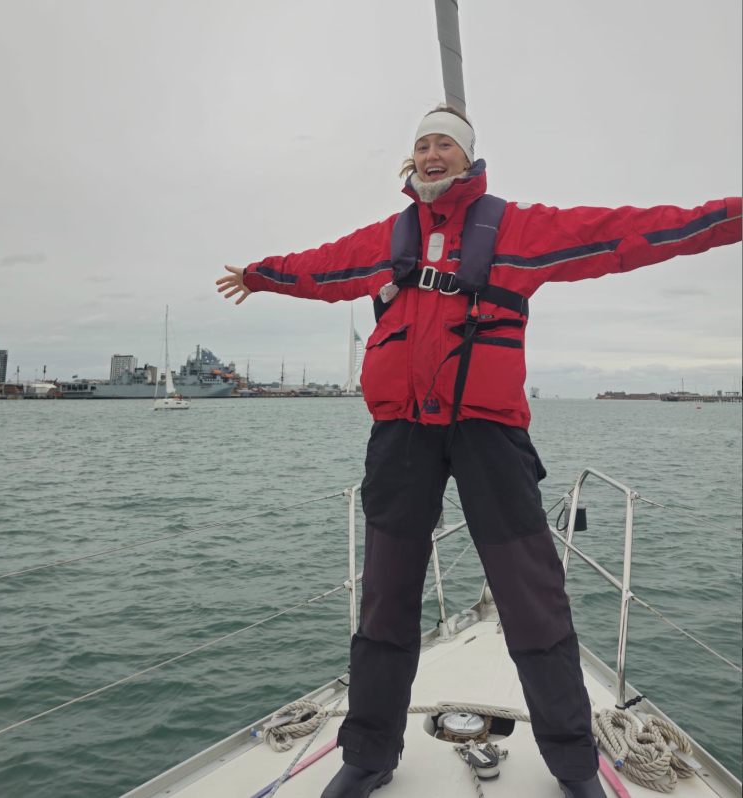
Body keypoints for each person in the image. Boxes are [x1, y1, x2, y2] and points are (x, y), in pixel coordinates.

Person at [216, 105, 742, 798]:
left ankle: (574, 766)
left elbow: (626, 233)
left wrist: (730, 216)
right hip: (402, 435)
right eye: (422, 145)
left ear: (468, 158)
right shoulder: (388, 238)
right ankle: (368, 756)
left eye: (446, 144)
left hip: (490, 433)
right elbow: (321, 268)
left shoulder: (518, 229)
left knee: (533, 601)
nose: (432, 154)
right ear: (412, 160)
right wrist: (260, 275)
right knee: (384, 603)